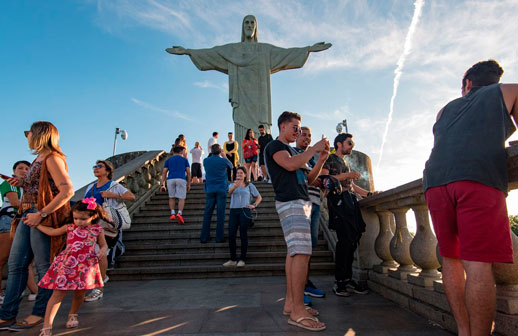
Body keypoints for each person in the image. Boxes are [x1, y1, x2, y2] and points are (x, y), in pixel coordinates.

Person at [423, 60, 518, 336]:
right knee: (477, 263)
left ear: (467, 84)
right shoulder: (509, 91)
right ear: (496, 80)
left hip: (436, 181)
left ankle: (464, 330)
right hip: (478, 176)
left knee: (450, 259)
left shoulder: (444, 110)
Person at [166, 15, 331, 144]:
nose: (249, 26)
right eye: (246, 23)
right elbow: (212, 53)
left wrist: (308, 49)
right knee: (242, 132)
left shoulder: (265, 50)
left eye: (252, 23)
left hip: (260, 103)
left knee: (262, 133)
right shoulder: (233, 50)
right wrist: (188, 52)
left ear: (256, 27)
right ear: (242, 27)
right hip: (242, 100)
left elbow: (286, 53)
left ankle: (262, 168)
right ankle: (243, 168)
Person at [0, 121, 74, 331]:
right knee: (15, 265)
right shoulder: (38, 159)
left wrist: (41, 214)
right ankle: (7, 315)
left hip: (39, 216)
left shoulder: (53, 157)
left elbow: (67, 190)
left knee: (44, 267)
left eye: (29, 133)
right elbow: (40, 185)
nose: (27, 137)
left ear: (41, 134)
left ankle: (40, 313)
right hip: (26, 214)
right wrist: (21, 183)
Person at [264, 111, 329, 332]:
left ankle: (291, 303)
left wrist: (320, 158)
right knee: (301, 252)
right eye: (295, 127)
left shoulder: (294, 150)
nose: (298, 131)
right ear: (282, 126)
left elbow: (310, 179)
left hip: (301, 201)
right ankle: (298, 312)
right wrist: (313, 149)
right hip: (290, 202)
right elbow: (290, 165)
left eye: (300, 128)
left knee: (295, 252)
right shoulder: (274, 146)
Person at [36, 198, 108, 336]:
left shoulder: (97, 230)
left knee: (80, 293)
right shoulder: (69, 227)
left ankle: (73, 314)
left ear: (93, 216)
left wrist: (103, 250)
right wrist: (36, 225)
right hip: (67, 264)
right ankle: (47, 325)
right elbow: (52, 232)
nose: (78, 222)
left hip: (85, 265)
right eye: (75, 218)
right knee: (58, 293)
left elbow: (104, 244)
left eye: (82, 219)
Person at [321, 133, 372, 297]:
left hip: (350, 200)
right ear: (339, 144)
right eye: (349, 143)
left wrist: (369, 194)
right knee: (344, 240)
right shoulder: (329, 158)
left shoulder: (344, 162)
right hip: (338, 200)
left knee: (353, 238)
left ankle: (348, 279)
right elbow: (324, 179)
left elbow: (352, 186)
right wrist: (347, 175)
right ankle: (339, 282)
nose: (352, 145)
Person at [83, 159, 135, 302]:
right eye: (95, 166)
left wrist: (114, 195)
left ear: (107, 170)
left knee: (101, 253)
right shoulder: (90, 188)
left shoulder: (114, 186)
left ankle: (98, 289)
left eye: (100, 166)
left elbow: (131, 196)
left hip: (105, 225)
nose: (96, 168)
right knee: (92, 254)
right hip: (89, 225)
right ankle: (102, 277)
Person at [293, 127, 325, 300]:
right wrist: (314, 177)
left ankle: (305, 283)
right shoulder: (294, 153)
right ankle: (297, 289)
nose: (307, 138)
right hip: (301, 203)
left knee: (310, 247)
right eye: (303, 135)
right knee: (300, 247)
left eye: (309, 136)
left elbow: (315, 178)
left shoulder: (312, 158)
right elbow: (307, 178)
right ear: (296, 136)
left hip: (316, 202)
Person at [0, 161, 31, 304]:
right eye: (20, 168)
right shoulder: (10, 183)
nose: (24, 170)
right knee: (2, 258)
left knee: (23, 259)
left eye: (27, 168)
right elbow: (15, 203)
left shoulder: (27, 187)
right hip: (9, 221)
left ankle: (33, 291)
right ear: (14, 171)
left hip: (20, 222)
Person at [223, 166, 262, 267]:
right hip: (234, 211)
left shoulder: (250, 185)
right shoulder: (232, 184)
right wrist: (235, 186)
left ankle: (242, 259)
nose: (239, 175)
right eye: (237, 173)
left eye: (241, 173)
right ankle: (232, 259)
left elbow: (259, 197)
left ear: (245, 175)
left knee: (243, 234)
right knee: (231, 234)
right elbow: (228, 193)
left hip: (245, 210)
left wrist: (254, 205)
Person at [201, 144, 232, 243]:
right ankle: (219, 237)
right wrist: (224, 155)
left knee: (207, 214)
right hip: (221, 189)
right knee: (221, 214)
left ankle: (204, 237)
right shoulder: (223, 160)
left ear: (211, 151)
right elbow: (231, 166)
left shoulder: (206, 161)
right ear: (220, 151)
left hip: (210, 189)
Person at [161, 146, 191, 224]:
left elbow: (164, 172)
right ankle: (179, 213)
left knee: (171, 197)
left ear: (173, 152)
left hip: (170, 179)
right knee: (181, 198)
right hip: (181, 179)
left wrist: (162, 184)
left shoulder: (168, 160)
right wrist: (189, 183)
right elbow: (188, 172)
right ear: (181, 152)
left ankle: (173, 213)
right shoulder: (185, 160)